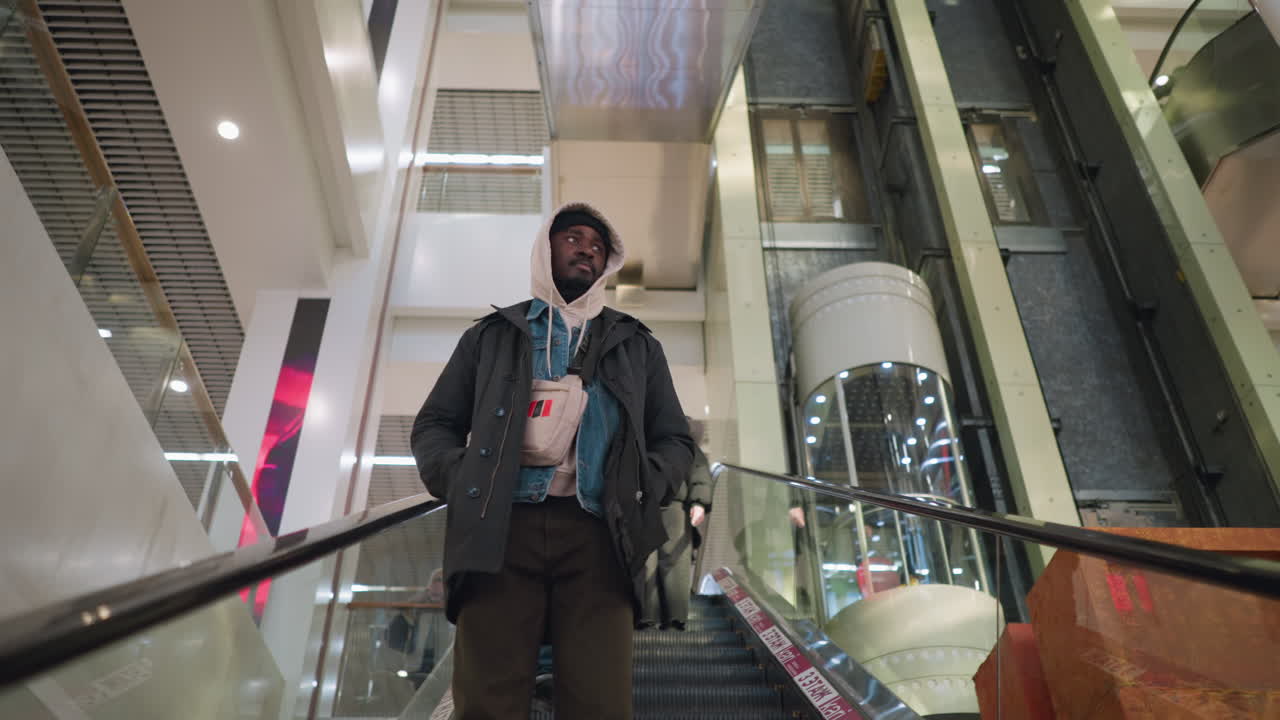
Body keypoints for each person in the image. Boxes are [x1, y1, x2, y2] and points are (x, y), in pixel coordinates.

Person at [411, 202, 694, 720]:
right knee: (486, 701)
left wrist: (640, 486)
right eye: (573, 237)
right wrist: (464, 479)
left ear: (608, 264)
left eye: (598, 245)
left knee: (601, 703)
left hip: (601, 536)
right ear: (546, 248)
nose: (586, 248)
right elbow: (434, 425)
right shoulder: (492, 335)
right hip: (499, 530)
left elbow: (675, 438)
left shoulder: (636, 344)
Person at [640, 418, 712, 630]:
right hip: (645, 504)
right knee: (646, 562)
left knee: (674, 561)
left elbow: (699, 471)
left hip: (673, 505)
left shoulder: (682, 441)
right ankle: (648, 615)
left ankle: (675, 616)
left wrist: (699, 501)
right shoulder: (644, 436)